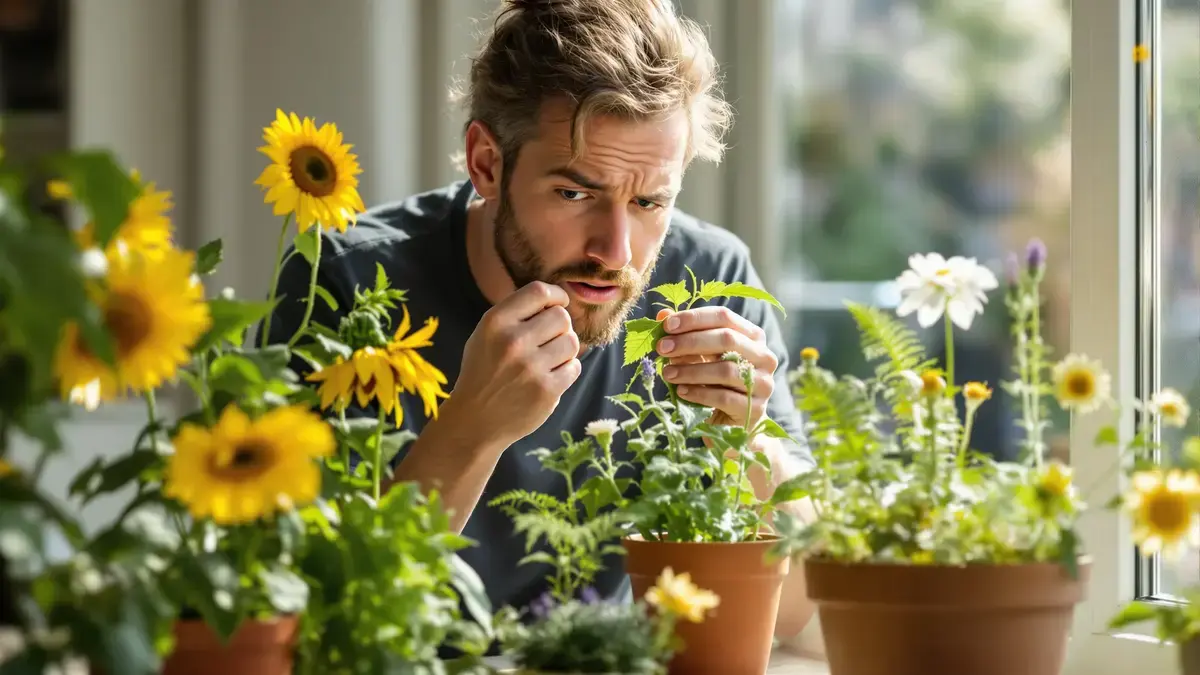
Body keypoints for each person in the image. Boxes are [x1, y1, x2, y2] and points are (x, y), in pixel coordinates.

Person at [264, 0, 817, 641]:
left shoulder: (708, 279)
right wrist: (470, 430)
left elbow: (804, 608)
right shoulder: (346, 281)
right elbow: (317, 612)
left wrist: (749, 437)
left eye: (649, 201)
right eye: (575, 193)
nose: (616, 252)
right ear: (486, 164)